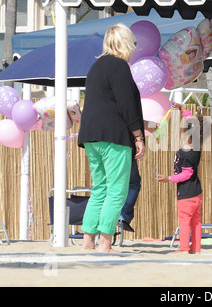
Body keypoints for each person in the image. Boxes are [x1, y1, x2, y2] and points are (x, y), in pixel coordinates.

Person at [78, 23, 146, 253]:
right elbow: (127, 105)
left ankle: (88, 241)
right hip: (113, 137)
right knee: (117, 190)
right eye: (133, 43)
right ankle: (105, 243)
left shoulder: (96, 66)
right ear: (125, 43)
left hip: (91, 137)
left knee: (100, 189)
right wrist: (138, 136)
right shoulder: (119, 66)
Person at [156, 103, 205, 254]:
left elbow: (187, 174)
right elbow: (192, 122)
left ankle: (184, 248)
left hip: (187, 194)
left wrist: (169, 178)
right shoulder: (196, 147)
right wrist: (183, 110)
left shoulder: (185, 153)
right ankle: (195, 249)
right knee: (196, 223)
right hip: (197, 193)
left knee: (184, 221)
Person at [118, 159, 141, 232]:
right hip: (125, 151)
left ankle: (102, 218)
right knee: (133, 184)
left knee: (104, 186)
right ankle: (123, 215)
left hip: (102, 151)